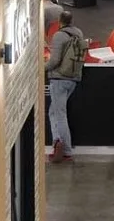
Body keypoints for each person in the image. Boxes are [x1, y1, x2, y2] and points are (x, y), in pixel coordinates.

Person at [45, 10, 85, 163]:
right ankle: (57, 142)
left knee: (60, 114)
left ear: (60, 21)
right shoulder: (78, 33)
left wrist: (42, 67)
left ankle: (66, 150)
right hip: (73, 79)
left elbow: (54, 61)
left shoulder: (59, 35)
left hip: (59, 79)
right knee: (53, 112)